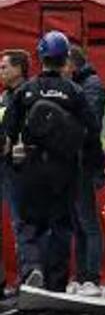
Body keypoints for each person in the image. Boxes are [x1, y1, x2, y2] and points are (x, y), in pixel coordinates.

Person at [1, 32, 101, 292]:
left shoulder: (26, 91)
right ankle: (56, 285)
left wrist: (12, 160)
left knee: (29, 225)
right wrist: (95, 167)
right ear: (65, 58)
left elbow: (7, 132)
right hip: (64, 171)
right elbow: (92, 132)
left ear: (40, 57)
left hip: (31, 169)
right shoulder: (75, 92)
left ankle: (33, 269)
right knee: (61, 226)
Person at [65, 44, 105, 295]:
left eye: (64, 63)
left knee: (88, 223)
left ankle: (92, 277)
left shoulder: (92, 86)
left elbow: (88, 126)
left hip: (87, 164)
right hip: (74, 164)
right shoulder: (80, 85)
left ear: (73, 63)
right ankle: (81, 277)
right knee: (78, 223)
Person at [0, 50, 33, 289]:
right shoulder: (4, 97)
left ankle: (29, 277)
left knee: (22, 223)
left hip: (21, 168)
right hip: (2, 165)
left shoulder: (30, 94)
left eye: (4, 67)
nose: (0, 71)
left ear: (19, 69)